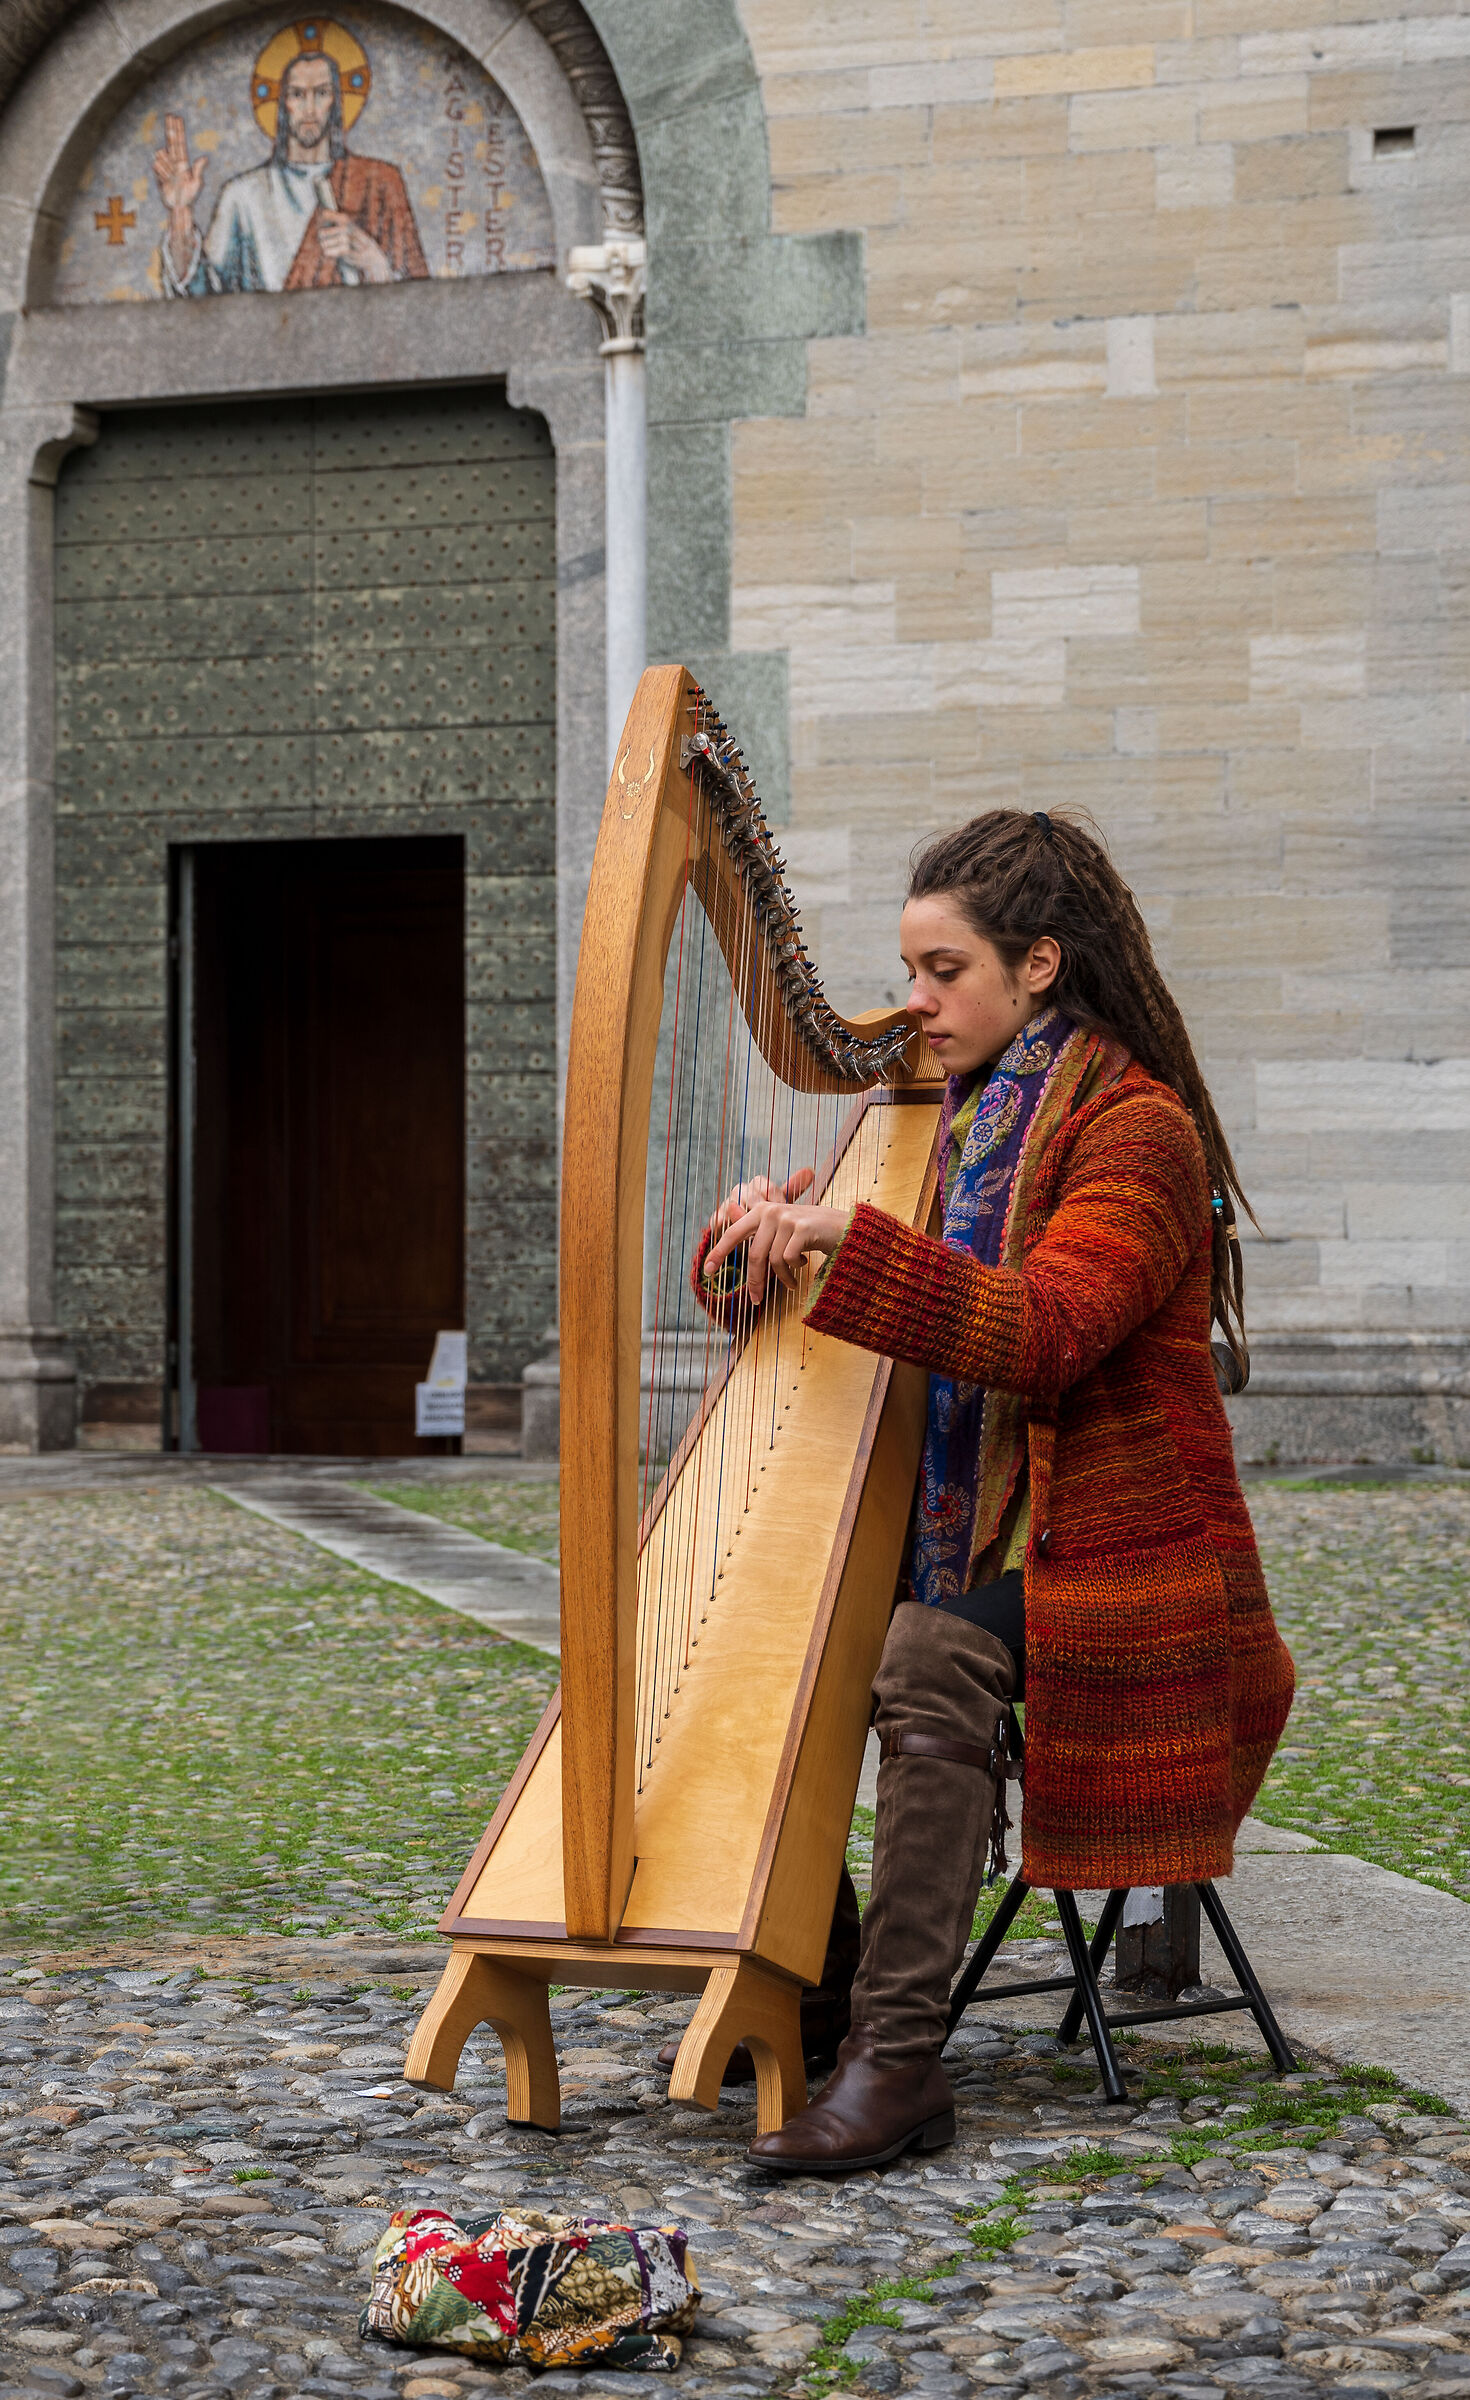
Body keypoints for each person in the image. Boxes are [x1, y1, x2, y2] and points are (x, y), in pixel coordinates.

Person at [696, 807, 1296, 2174]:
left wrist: (848, 1241)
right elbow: (854, 1304)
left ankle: (896, 2060)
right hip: (972, 1534)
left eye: (943, 970)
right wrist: (754, 1250)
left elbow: (1046, 1331)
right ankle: (816, 1985)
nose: (912, 1002)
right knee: (776, 1629)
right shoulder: (931, 1126)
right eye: (908, 971)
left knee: (926, 1651)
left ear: (1037, 965)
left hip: (1123, 1563)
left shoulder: (1136, 1133)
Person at [154, 47, 428, 297]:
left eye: (321, 93)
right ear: (283, 104)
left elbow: (420, 306)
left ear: (336, 101)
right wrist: (180, 211)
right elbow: (201, 295)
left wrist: (373, 262)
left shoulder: (380, 181)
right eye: (297, 94)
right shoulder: (243, 195)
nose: (309, 109)